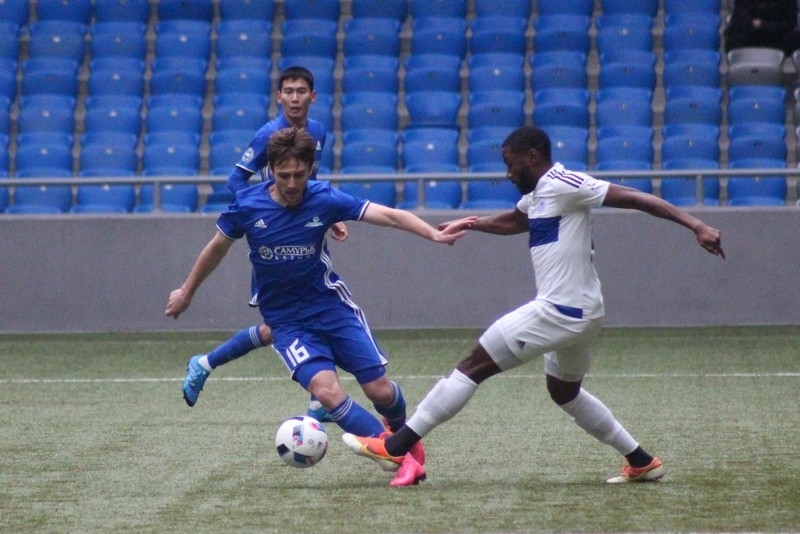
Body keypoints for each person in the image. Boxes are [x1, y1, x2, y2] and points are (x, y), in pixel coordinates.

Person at [343, 125, 726, 485]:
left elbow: (635, 198)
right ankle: (641, 461)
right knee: (564, 392)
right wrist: (472, 224)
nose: (508, 173)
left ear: (532, 156)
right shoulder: (540, 194)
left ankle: (397, 446)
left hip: (562, 310)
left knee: (472, 366)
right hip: (582, 313)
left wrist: (696, 225)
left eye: (511, 164)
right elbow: (516, 220)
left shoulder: (565, 183)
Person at [165, 127, 474, 486]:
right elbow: (216, 248)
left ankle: (401, 431)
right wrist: (187, 291)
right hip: (287, 323)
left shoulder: (324, 198)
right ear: (270, 170)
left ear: (310, 169)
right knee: (327, 393)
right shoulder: (247, 206)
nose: (292, 183)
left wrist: (433, 234)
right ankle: (400, 456)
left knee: (380, 391)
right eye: (284, 175)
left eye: (299, 175)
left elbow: (388, 215)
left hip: (332, 310)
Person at [180, 66, 345, 421]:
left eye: (302, 91)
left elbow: (309, 182)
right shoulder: (268, 135)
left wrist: (329, 215)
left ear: (313, 96)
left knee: (308, 314)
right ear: (279, 96)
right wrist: (262, 213)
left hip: (307, 233)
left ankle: (206, 363)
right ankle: (318, 400)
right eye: (289, 91)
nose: (295, 98)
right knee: (300, 318)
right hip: (276, 237)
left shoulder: (318, 131)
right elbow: (235, 180)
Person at [724, 0, 800, 55]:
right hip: (751, 35)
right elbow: (741, 19)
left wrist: (763, 24)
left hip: (776, 35)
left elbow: (789, 22)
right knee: (735, 39)